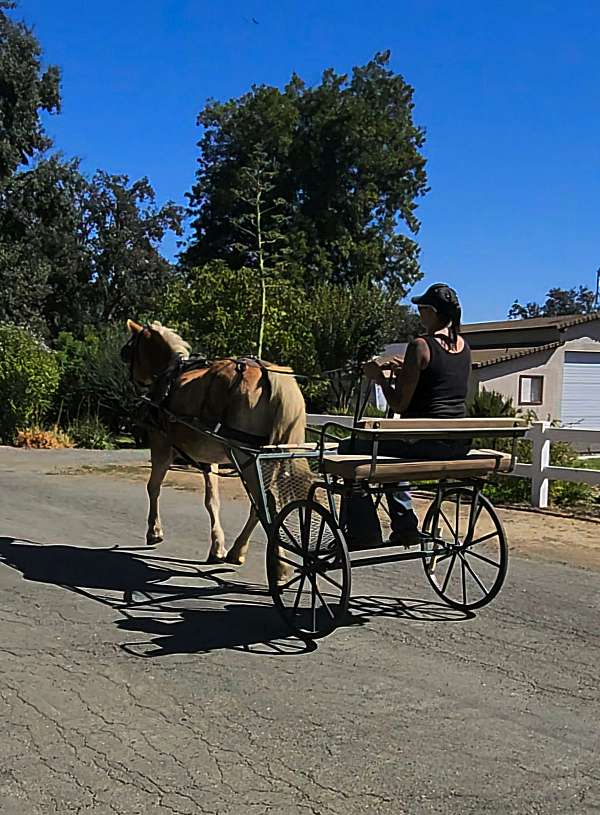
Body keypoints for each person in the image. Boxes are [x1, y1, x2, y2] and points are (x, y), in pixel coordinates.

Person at [340, 283, 472, 548]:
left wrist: (378, 378)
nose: (419, 314)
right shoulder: (463, 346)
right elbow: (436, 379)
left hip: (425, 442)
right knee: (392, 453)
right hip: (456, 442)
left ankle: (363, 531)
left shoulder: (420, 345)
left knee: (350, 447)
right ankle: (404, 525)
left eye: (422, 309)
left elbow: (399, 405)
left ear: (433, 312)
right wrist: (406, 367)